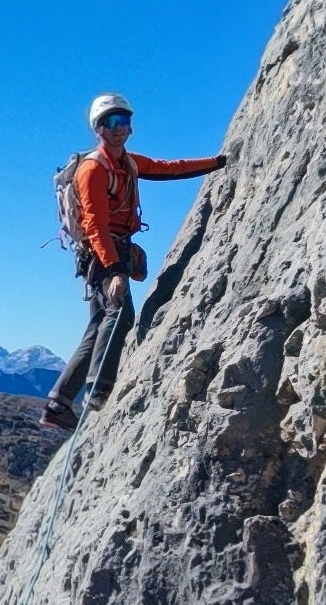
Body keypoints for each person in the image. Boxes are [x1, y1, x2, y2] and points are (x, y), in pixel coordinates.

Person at [42, 92, 225, 430]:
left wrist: (215, 163)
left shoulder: (128, 163)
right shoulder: (92, 170)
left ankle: (58, 402)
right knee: (120, 313)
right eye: (111, 122)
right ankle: (97, 386)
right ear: (99, 128)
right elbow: (95, 225)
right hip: (103, 253)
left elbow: (168, 169)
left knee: (99, 325)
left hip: (114, 248)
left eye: (124, 121)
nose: (119, 128)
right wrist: (114, 272)